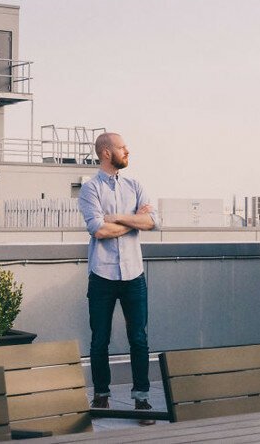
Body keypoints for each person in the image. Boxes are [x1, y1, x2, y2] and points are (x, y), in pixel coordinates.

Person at [78, 132, 159, 425]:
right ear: (106, 153)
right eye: (123, 147)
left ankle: (141, 399)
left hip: (133, 275)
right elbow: (98, 230)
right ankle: (101, 395)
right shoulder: (90, 190)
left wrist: (116, 218)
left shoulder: (134, 185)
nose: (128, 150)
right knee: (100, 339)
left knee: (139, 338)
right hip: (102, 275)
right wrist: (131, 219)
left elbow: (152, 221)